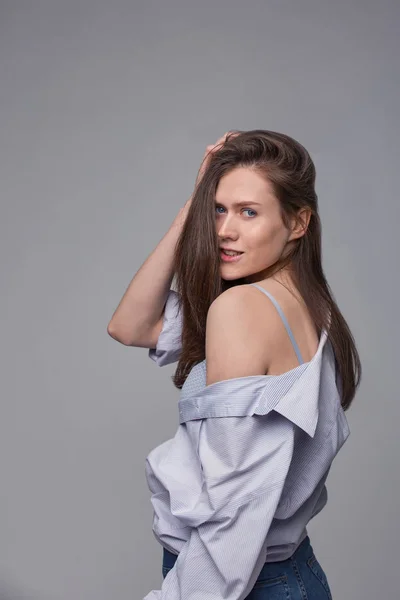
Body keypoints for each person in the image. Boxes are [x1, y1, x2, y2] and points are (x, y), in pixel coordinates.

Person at [107, 130, 362, 600]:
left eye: (249, 212)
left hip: (240, 582)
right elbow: (129, 325)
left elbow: (233, 510)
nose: (224, 229)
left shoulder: (242, 309)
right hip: (290, 575)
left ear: (298, 222)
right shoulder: (305, 303)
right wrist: (193, 206)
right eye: (217, 209)